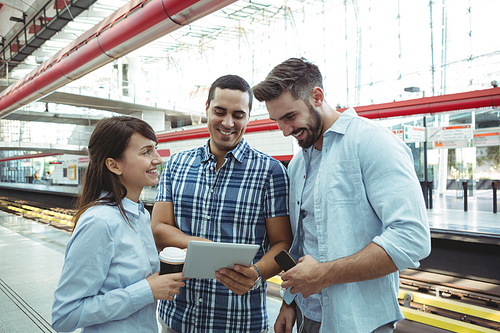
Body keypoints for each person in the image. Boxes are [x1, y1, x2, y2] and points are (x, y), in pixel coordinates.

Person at [252, 58, 431, 333]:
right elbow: (303, 240)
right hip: (307, 315)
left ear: (317, 96)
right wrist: (289, 301)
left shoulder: (372, 142)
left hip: (360, 321)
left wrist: (323, 275)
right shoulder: (299, 163)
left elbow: (412, 239)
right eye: (277, 121)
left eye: (290, 117)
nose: (286, 130)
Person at [151, 74, 293, 333]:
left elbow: (283, 243)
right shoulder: (176, 166)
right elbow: (159, 229)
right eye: (220, 111)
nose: (228, 123)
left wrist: (257, 273)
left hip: (239, 321)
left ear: (249, 116)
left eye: (238, 115)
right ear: (206, 110)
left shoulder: (271, 172)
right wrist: (208, 248)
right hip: (177, 317)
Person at [52, 116, 186, 332]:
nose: (158, 159)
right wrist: (147, 291)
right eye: (146, 152)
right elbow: (65, 316)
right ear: (113, 165)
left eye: (155, 149)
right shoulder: (99, 222)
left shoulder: (140, 215)